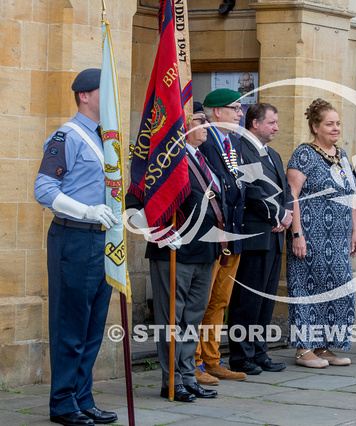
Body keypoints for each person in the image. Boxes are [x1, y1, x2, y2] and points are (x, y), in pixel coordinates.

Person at [34, 68, 118, 425]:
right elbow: (44, 190)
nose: (111, 97)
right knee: (71, 324)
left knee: (93, 324)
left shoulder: (106, 139)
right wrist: (85, 209)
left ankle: (82, 396)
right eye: (105, 90)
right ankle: (63, 402)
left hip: (103, 238)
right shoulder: (65, 136)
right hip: (75, 236)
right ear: (84, 95)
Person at [126, 102, 220, 402]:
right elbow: (134, 204)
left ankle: (188, 375)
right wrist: (158, 232)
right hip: (174, 252)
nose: (205, 126)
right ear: (182, 127)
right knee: (172, 320)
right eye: (199, 120)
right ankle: (172, 380)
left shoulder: (203, 158)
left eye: (206, 120)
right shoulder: (164, 162)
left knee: (192, 318)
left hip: (205, 251)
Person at [286, 98, 356, 368]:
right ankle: (304, 349)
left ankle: (325, 346)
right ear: (315, 127)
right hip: (311, 234)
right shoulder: (304, 154)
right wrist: (297, 233)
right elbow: (291, 194)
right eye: (329, 124)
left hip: (338, 237)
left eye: (338, 123)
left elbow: (350, 195)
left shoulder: (340, 155)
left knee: (339, 290)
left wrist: (355, 230)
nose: (335, 128)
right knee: (308, 289)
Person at [227, 103, 293, 374]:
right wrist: (277, 216)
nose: (276, 128)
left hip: (275, 237)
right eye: (272, 123)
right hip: (256, 234)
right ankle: (241, 357)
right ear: (255, 123)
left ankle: (259, 351)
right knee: (247, 300)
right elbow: (252, 190)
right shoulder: (241, 149)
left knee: (265, 300)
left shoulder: (274, 154)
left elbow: (286, 190)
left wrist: (286, 214)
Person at [195, 88, 247, 384]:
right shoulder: (205, 142)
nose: (240, 114)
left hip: (233, 233)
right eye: (235, 109)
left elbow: (237, 185)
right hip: (214, 235)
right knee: (201, 301)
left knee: (219, 301)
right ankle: (196, 362)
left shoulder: (232, 142)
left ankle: (212, 359)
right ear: (217, 111)